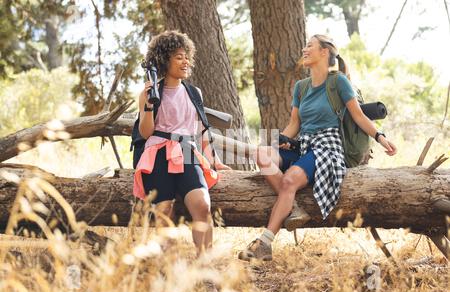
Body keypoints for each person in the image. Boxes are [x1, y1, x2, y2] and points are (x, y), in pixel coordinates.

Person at [238, 34, 397, 261]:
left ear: (324, 52)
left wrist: (381, 138)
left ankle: (264, 242)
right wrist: (278, 141)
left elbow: (359, 116)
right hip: (304, 145)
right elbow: (295, 125)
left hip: (328, 148)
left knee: (290, 179)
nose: (304, 50)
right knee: (263, 155)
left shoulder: (338, 82)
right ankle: (293, 208)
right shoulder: (301, 87)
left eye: (309, 46)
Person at [133, 30, 231, 257]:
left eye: (187, 56)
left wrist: (215, 161)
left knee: (202, 205)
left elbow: (202, 130)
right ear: (163, 60)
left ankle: (204, 264)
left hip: (187, 151)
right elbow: (146, 132)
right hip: (157, 153)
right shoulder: (149, 93)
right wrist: (147, 105)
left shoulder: (193, 92)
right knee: (164, 211)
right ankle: (168, 267)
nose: (185, 61)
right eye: (179, 57)